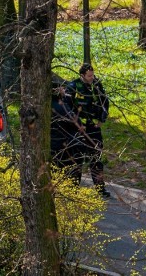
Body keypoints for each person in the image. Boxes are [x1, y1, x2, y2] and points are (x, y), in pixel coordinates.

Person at [67, 63, 111, 199]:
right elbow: (67, 107)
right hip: (78, 129)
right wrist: (77, 123)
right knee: (77, 159)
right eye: (89, 76)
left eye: (93, 75)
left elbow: (105, 102)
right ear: (82, 75)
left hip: (94, 128)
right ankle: (73, 190)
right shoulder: (73, 86)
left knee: (96, 158)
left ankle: (100, 188)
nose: (92, 78)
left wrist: (102, 118)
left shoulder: (97, 85)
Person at [50, 76, 85, 185]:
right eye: (62, 89)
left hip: (52, 146)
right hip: (65, 147)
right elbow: (77, 124)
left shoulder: (45, 105)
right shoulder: (61, 107)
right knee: (71, 177)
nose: (64, 90)